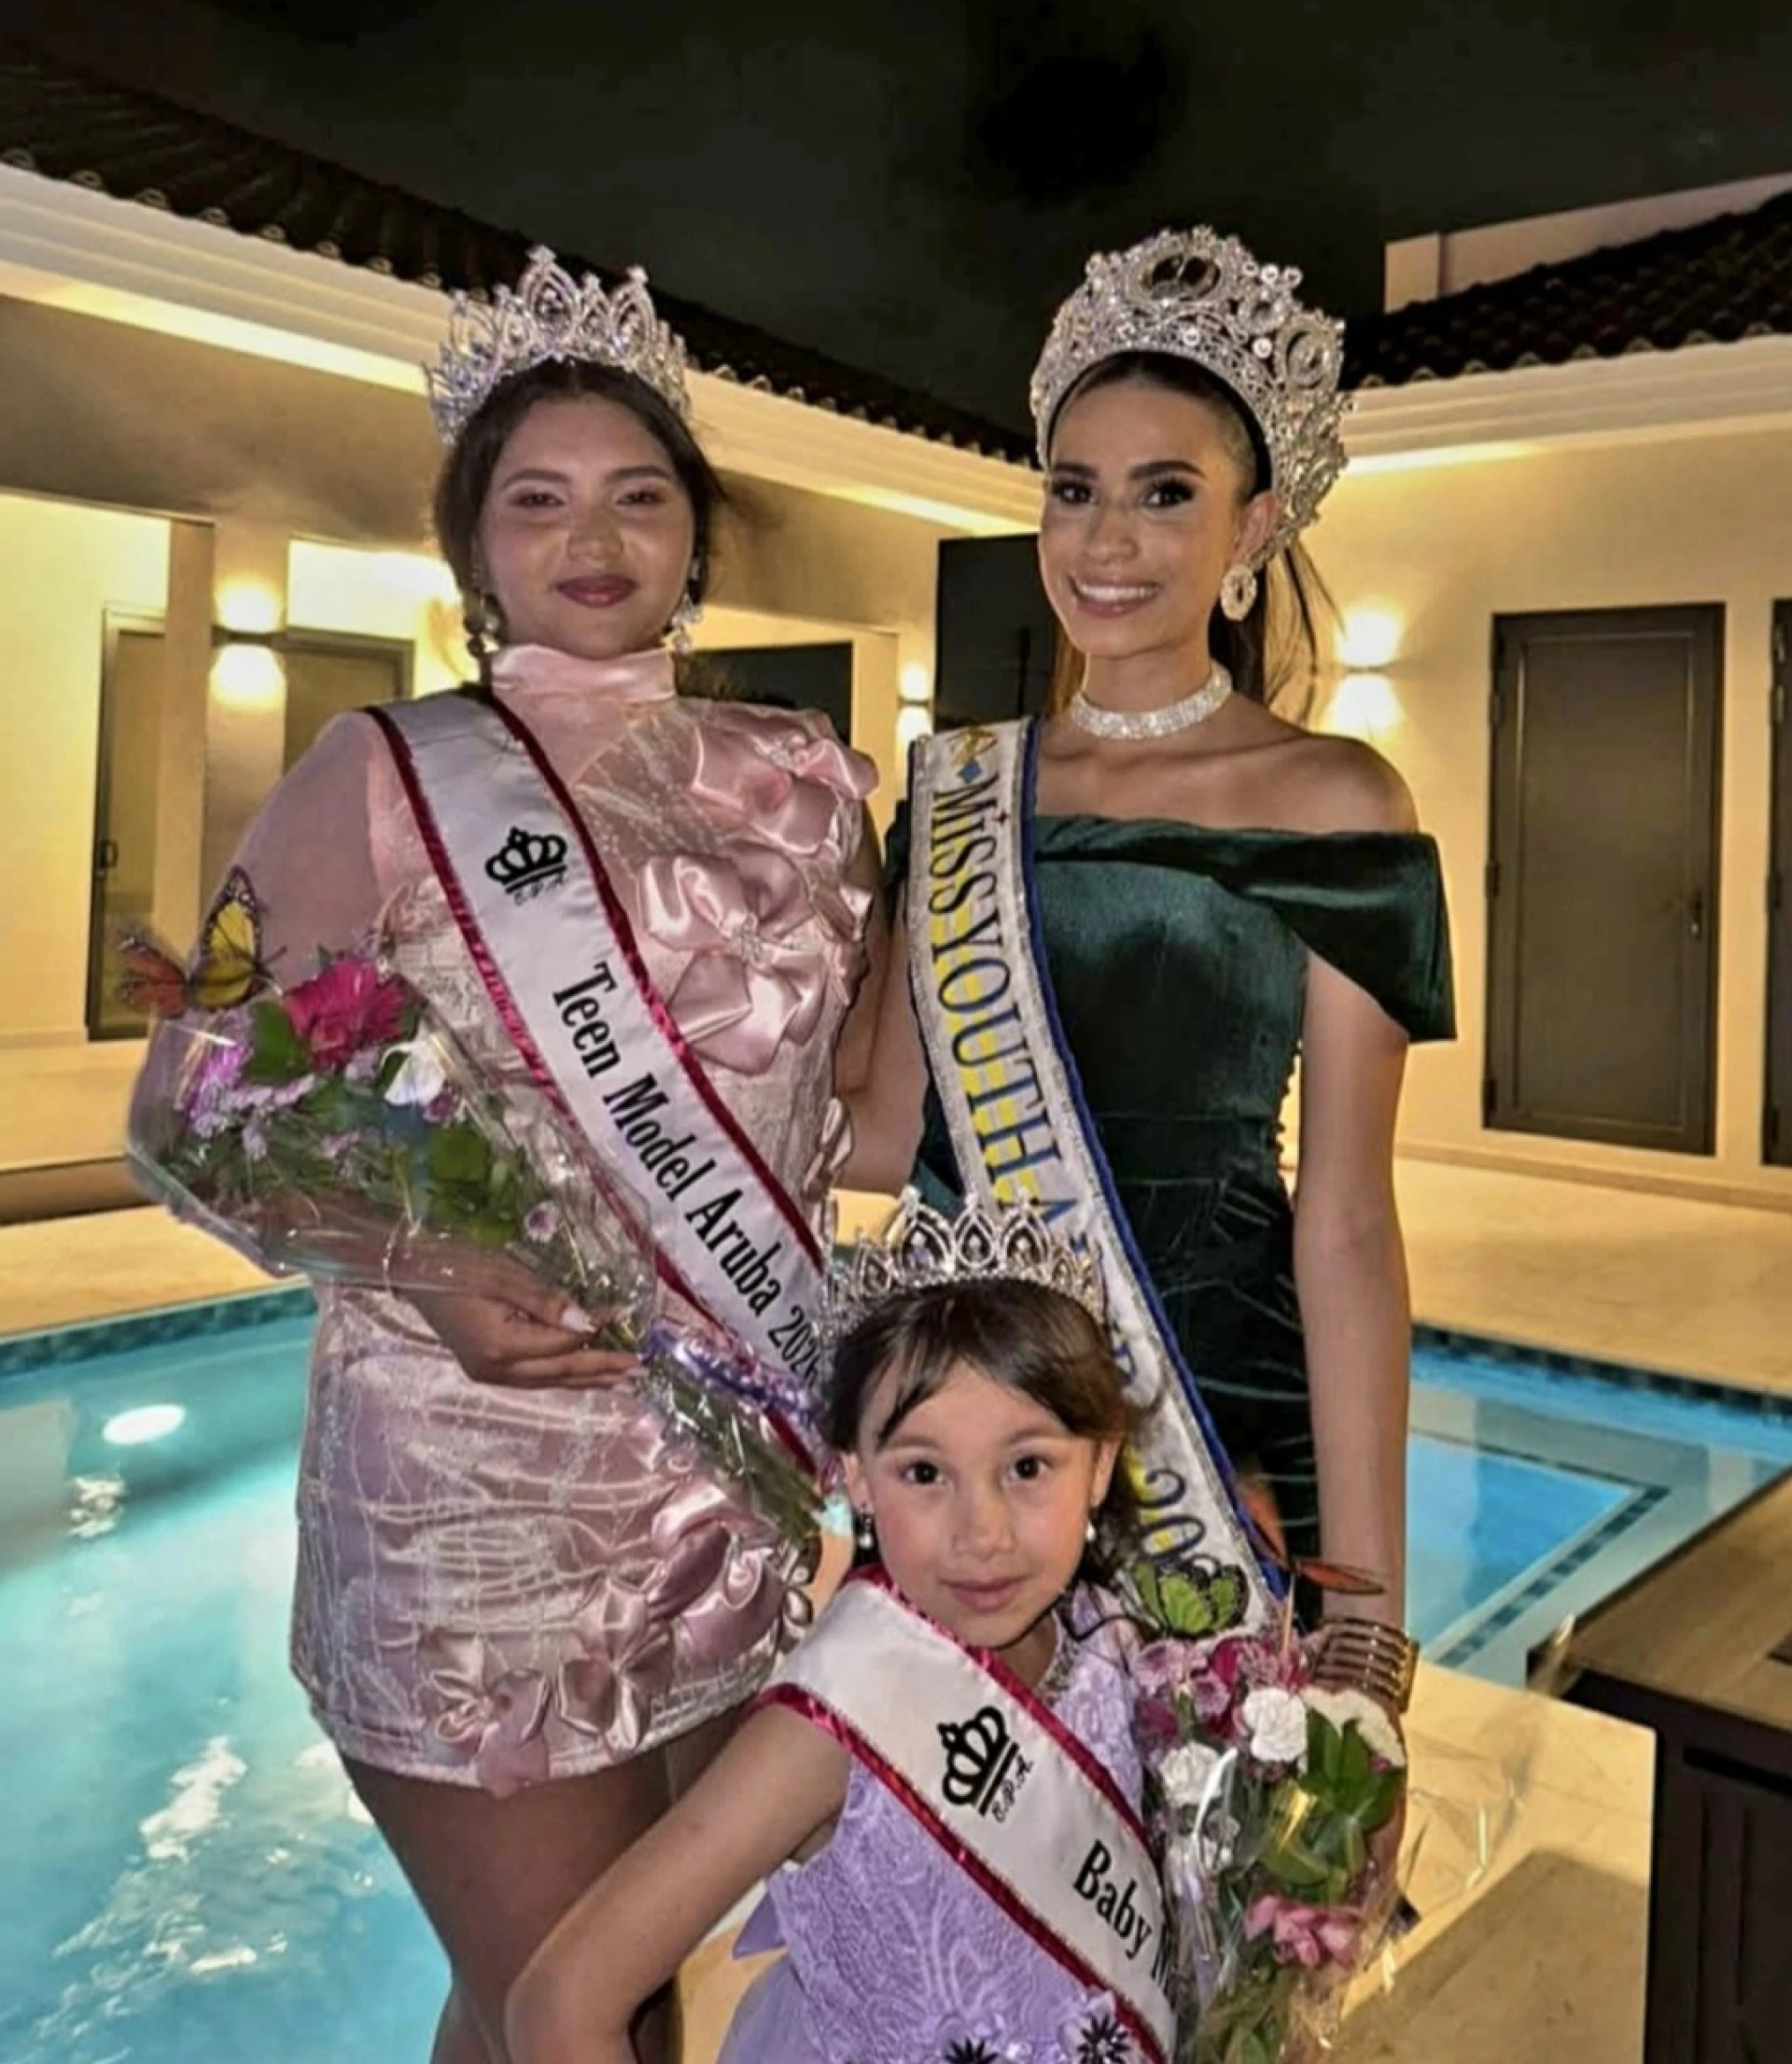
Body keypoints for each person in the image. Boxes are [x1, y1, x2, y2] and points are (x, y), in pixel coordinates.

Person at [128, 248, 881, 2064]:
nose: (592, 537)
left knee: (573, 2002)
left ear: (697, 534)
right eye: (537, 499)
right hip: (468, 1490)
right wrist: (428, 1261)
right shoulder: (378, 772)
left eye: (638, 496)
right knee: (580, 2007)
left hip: (729, 1480)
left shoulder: (810, 781)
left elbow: (857, 1120)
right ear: (473, 544)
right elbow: (191, 1099)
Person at [847, 229, 1452, 1731]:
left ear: (1254, 525)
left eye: (1165, 492)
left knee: (1224, 1843)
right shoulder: (957, 788)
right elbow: (882, 1131)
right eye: (1075, 488)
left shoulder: (1334, 801)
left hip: (1219, 1420)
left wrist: (1367, 1608)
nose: (1105, 541)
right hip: (972, 1422)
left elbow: (1348, 1217)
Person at [506, 1192, 1170, 2064]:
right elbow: (560, 2002)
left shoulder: (1107, 1638)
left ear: (1102, 1464)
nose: (982, 1532)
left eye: (1027, 1466)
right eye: (924, 1471)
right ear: (856, 1477)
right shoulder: (829, 1725)